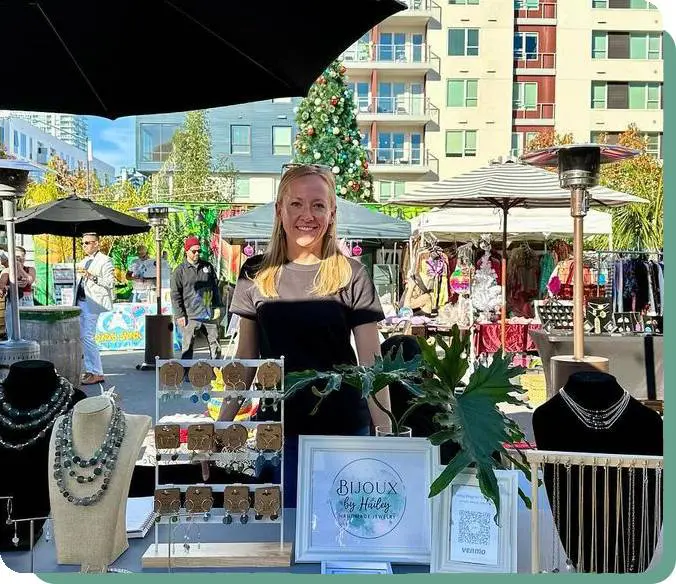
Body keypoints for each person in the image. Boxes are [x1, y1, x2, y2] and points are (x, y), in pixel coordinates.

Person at [224, 163, 390, 507]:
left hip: (343, 430)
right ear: (279, 210)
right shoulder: (255, 273)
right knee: (282, 542)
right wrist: (221, 427)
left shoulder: (352, 274)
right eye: (296, 203)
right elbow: (246, 359)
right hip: (278, 431)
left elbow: (373, 364)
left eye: (318, 205)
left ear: (331, 213)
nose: (307, 214)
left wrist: (388, 439)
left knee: (347, 538)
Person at [170, 236, 223, 359]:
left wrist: (217, 306)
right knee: (187, 346)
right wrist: (179, 315)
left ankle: (216, 371)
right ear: (186, 251)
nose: (197, 254)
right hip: (190, 315)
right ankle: (186, 373)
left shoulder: (208, 267)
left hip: (208, 313)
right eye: (194, 251)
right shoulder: (179, 271)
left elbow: (215, 287)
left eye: (199, 251)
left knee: (215, 344)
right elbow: (175, 294)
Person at [74, 233, 115, 385]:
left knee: (87, 336)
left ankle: (97, 372)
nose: (85, 246)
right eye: (83, 243)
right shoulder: (83, 261)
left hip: (92, 303)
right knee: (82, 336)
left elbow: (110, 283)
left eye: (88, 243)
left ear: (97, 243)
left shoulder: (105, 260)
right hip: (80, 301)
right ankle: (91, 370)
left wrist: (92, 276)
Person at [0, 246, 36, 339]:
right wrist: (8, 287)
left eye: (21, 256)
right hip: (13, 300)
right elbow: (1, 287)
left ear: (25, 257)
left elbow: (30, 280)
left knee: (29, 329)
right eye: (16, 257)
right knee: (12, 330)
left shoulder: (30, 269)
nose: (18, 259)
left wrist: (20, 268)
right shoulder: (6, 271)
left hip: (27, 300)